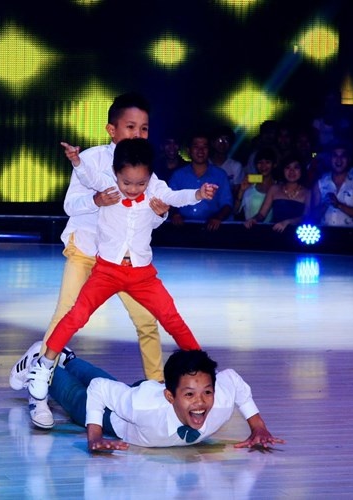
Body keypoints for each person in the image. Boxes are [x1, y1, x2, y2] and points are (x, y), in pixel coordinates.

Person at [8, 92, 166, 430]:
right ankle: (39, 393)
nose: (138, 134)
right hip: (86, 250)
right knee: (66, 316)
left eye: (144, 128)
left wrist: (160, 212)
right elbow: (70, 205)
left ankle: (158, 390)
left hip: (124, 260)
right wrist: (96, 200)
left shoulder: (147, 171)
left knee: (147, 321)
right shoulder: (91, 160)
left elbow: (151, 220)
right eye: (130, 127)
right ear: (112, 129)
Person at [25, 138, 217, 402]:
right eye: (127, 183)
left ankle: (204, 371)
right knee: (76, 315)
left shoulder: (155, 188)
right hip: (107, 271)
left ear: (149, 176)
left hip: (142, 275)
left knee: (172, 318)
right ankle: (45, 364)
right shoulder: (108, 186)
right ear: (116, 173)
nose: (133, 189)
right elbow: (89, 176)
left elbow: (176, 196)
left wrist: (198, 193)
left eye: (140, 183)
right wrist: (77, 161)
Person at [41, 346, 285, 452]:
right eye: (189, 394)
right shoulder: (142, 407)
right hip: (119, 417)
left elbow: (234, 381)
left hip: (143, 396)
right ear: (170, 396)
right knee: (76, 398)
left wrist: (258, 427)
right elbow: (99, 388)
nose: (200, 402)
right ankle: (41, 362)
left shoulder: (220, 400)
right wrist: (95, 435)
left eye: (207, 392)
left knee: (116, 387)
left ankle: (69, 359)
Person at [168, 132, 234, 231]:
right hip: (182, 228)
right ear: (189, 150)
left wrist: (218, 218)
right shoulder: (178, 175)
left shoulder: (220, 175)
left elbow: (227, 203)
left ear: (209, 150)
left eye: (204, 147)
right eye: (196, 147)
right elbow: (169, 199)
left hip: (212, 228)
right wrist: (175, 214)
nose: (200, 150)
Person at [244, 155, 311, 233]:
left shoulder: (307, 193)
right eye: (287, 168)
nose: (291, 171)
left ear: (301, 170)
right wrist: (254, 219)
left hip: (299, 234)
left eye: (296, 168)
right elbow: (261, 214)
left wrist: (289, 222)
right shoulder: (274, 189)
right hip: (276, 232)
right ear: (283, 170)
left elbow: (306, 217)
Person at [311, 144, 353, 227]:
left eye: (343, 156)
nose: (339, 159)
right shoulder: (320, 183)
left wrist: (339, 205)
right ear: (330, 159)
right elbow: (313, 216)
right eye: (335, 156)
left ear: (348, 159)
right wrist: (325, 204)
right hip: (325, 233)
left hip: (349, 233)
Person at [235, 146, 276, 222]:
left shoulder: (279, 187)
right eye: (260, 162)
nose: (263, 166)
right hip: (250, 227)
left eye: (267, 162)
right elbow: (235, 211)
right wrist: (241, 191)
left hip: (272, 228)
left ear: (274, 164)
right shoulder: (249, 184)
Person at [209, 125, 243, 199]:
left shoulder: (236, 166)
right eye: (219, 140)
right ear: (212, 143)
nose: (223, 143)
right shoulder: (204, 165)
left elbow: (236, 191)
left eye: (227, 140)